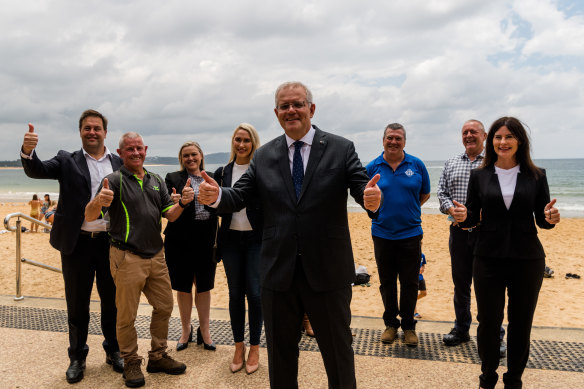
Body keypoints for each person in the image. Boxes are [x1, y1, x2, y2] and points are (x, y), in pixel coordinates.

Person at [198, 81, 382, 388]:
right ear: (276, 112)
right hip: (277, 272)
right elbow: (239, 195)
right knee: (281, 360)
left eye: (297, 104)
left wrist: (370, 199)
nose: (291, 110)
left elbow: (362, 186)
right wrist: (216, 196)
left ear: (311, 108)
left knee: (338, 354)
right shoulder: (265, 155)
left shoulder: (341, 148)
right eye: (284, 106)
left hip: (327, 272)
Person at [453, 117, 560, 389]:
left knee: (521, 323)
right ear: (492, 141)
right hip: (488, 258)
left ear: (519, 141)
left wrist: (550, 217)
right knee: (488, 322)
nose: (503, 142)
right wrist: (463, 216)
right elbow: (470, 219)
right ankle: (487, 377)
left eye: (509, 137)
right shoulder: (480, 175)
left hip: (528, 260)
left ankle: (514, 381)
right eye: (498, 137)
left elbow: (542, 221)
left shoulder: (537, 175)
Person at [20, 110, 123, 383]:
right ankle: (77, 356)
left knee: (112, 303)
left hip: (110, 244)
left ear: (105, 132)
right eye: (87, 128)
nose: (92, 132)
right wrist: (28, 152)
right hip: (76, 245)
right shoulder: (67, 160)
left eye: (97, 128)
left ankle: (113, 350)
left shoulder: (119, 162)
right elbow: (38, 170)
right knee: (77, 305)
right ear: (81, 132)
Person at [85, 132, 189, 388]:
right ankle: (131, 361)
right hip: (126, 257)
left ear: (145, 150)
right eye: (129, 149)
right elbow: (89, 216)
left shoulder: (155, 180)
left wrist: (184, 203)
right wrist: (98, 201)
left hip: (156, 256)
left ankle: (157, 356)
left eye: (139, 148)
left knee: (164, 306)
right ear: (120, 153)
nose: (135, 153)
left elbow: (170, 215)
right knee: (127, 315)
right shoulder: (114, 180)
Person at [437, 120, 506, 354]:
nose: (469, 135)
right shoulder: (451, 163)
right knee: (461, 285)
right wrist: (450, 209)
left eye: (473, 132)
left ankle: (495, 335)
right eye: (465, 132)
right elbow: (441, 193)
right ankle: (461, 329)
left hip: (486, 234)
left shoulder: (495, 163)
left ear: (484, 135)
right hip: (458, 233)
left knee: (490, 286)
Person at [366, 123, 430, 347]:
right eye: (389, 138)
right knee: (387, 283)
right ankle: (391, 324)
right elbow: (365, 199)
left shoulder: (417, 164)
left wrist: (407, 210)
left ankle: (409, 327)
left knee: (410, 282)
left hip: (411, 234)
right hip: (382, 234)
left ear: (404, 141)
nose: (393, 142)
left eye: (398, 138)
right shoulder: (372, 167)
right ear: (383, 140)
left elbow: (425, 194)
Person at [213, 123, 263, 374]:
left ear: (254, 143)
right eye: (237, 139)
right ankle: (238, 346)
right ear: (232, 142)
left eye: (246, 140)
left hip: (255, 240)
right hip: (230, 239)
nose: (241, 144)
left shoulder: (261, 170)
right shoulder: (223, 172)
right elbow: (215, 204)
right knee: (235, 295)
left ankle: (255, 347)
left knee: (255, 294)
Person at [164, 141, 218, 353]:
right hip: (179, 240)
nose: (190, 158)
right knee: (183, 287)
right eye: (186, 155)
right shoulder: (173, 178)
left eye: (194, 154)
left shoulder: (212, 176)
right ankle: (185, 330)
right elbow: (169, 201)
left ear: (201, 155)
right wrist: (175, 199)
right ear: (181, 159)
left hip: (206, 239)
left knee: (204, 286)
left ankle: (205, 331)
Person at [414, 251, 427, 319]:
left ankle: (411, 301)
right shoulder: (411, 254)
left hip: (420, 277)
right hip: (412, 277)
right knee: (413, 294)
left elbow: (423, 264)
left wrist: (422, 268)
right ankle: (415, 312)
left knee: (424, 293)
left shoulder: (422, 255)